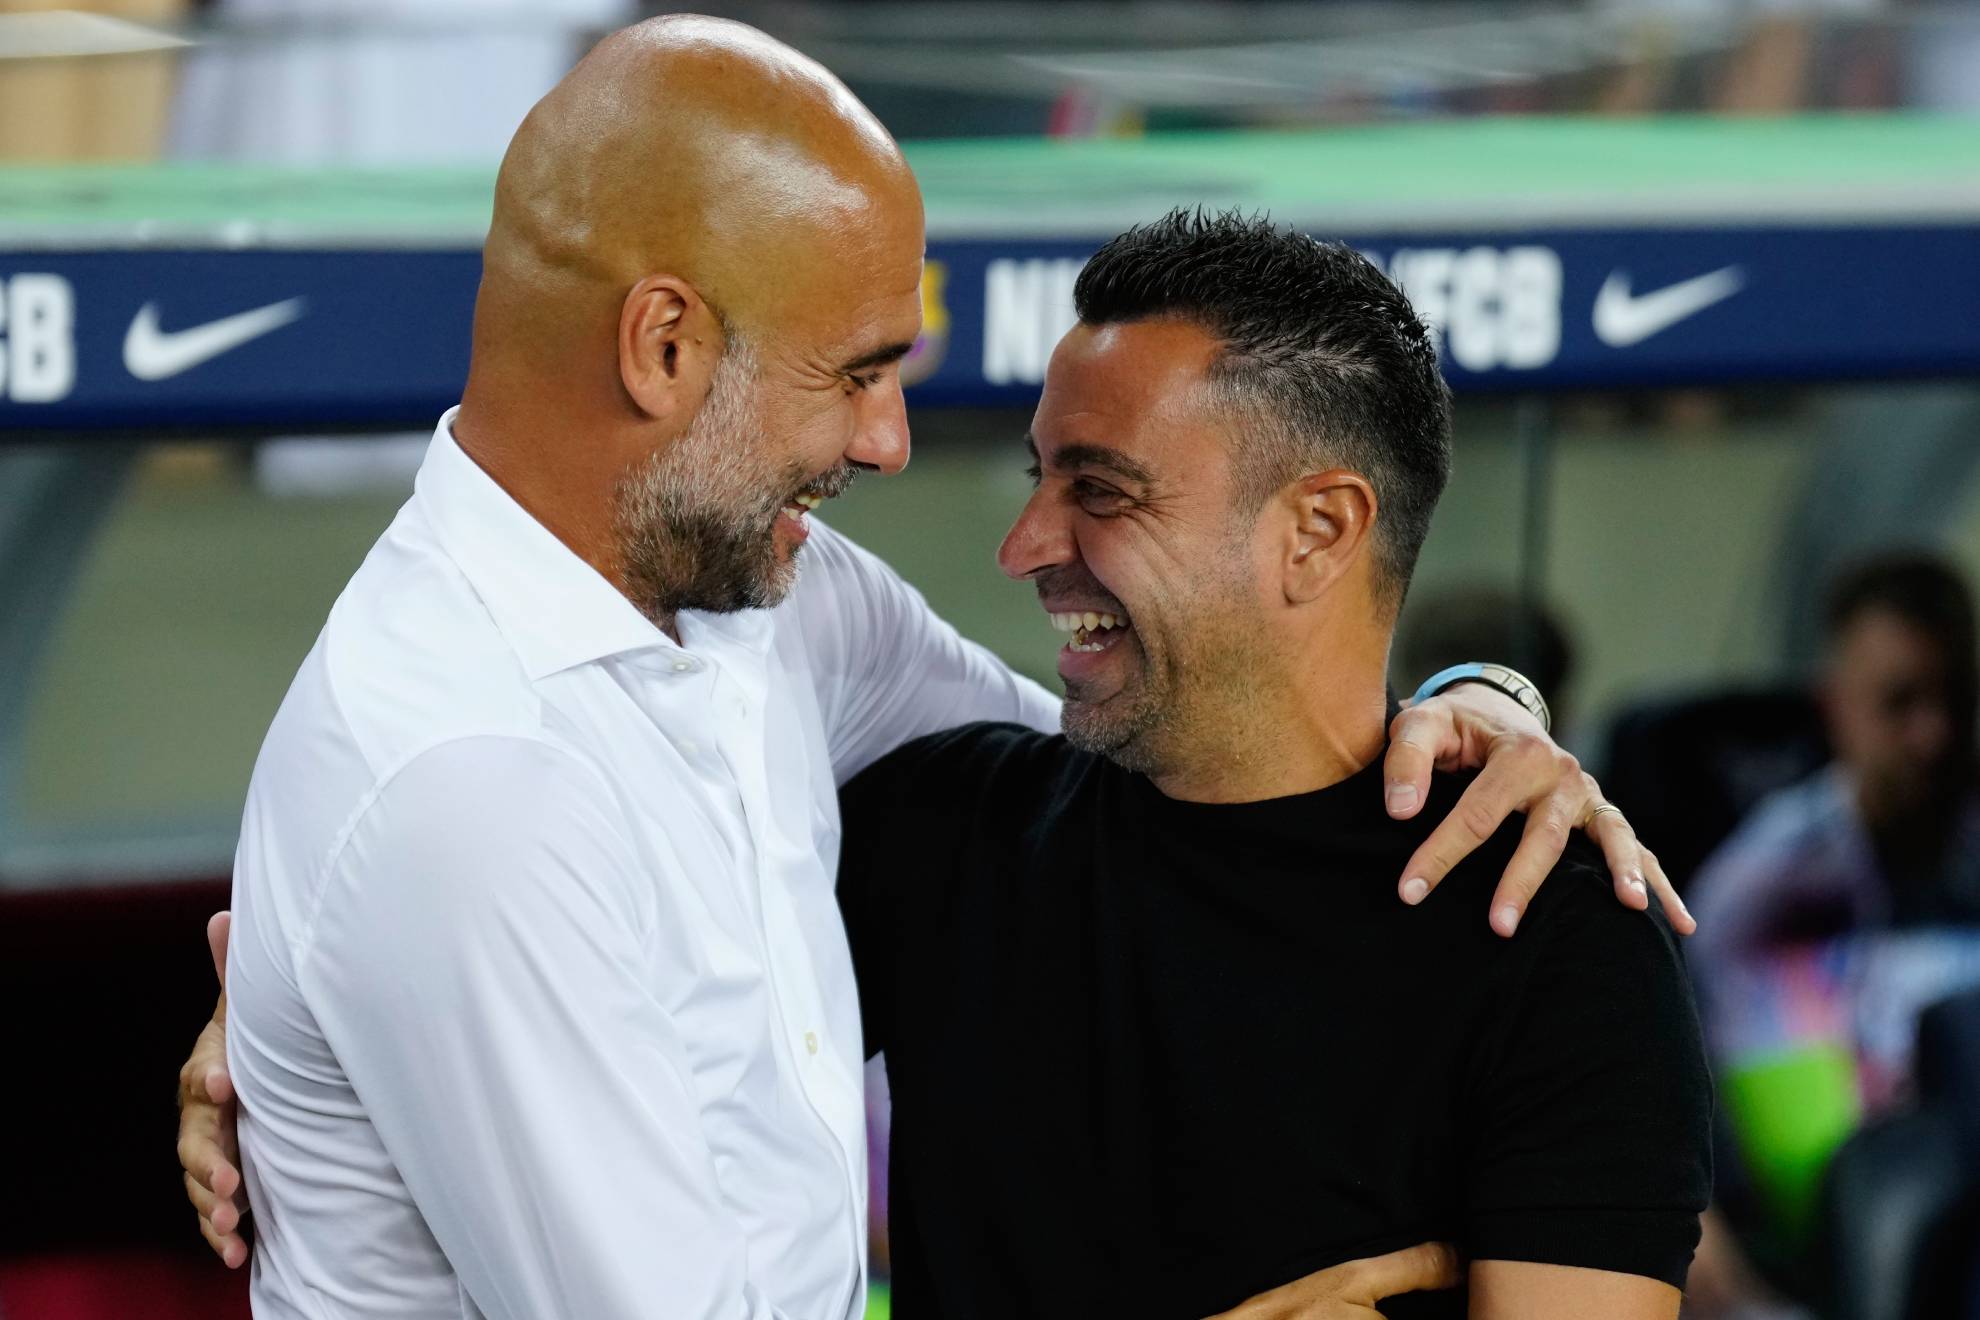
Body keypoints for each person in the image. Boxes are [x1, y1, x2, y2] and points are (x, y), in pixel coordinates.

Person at [174, 18, 1687, 1319]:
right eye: (857, 372)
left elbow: (1204, 766)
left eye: (1102, 487)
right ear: (664, 349)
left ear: (1321, 531)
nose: (899, 449)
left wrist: (1482, 703)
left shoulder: (783, 620)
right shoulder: (474, 796)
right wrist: (341, 1007)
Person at [830, 209, 1712, 1320]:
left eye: (1099, 490)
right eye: (1039, 477)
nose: (1024, 546)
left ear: (1319, 531)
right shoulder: (940, 830)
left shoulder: (1547, 931)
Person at [1683, 552, 1980, 1315]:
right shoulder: (1763, 892)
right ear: (1836, 707)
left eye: (1956, 701)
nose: (1934, 736)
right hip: (1826, 1253)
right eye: (1900, 703)